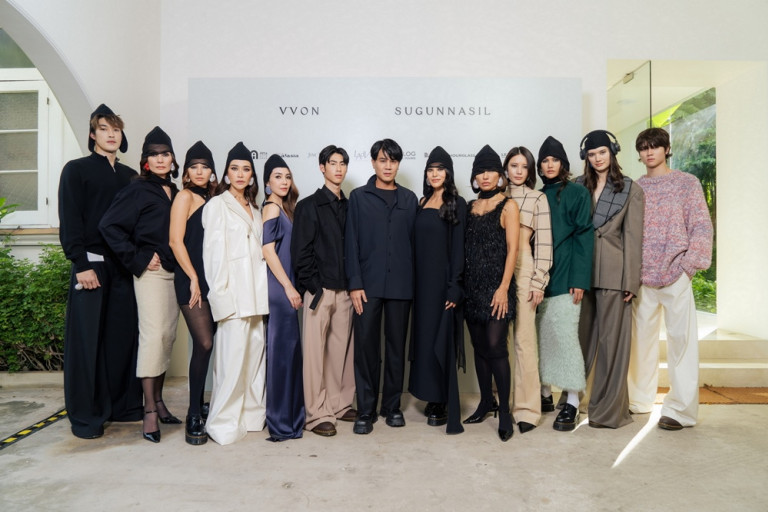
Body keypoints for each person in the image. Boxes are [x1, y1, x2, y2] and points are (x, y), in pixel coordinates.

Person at [57, 104, 143, 439]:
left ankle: (122, 406)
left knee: (121, 339)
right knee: (88, 343)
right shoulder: (76, 170)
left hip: (123, 268)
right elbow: (71, 219)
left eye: (116, 129)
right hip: (90, 265)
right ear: (93, 134)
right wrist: (81, 264)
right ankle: (87, 416)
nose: (111, 135)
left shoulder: (130, 176)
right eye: (104, 129)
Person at [100, 126, 181, 443]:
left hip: (175, 272)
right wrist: (139, 258)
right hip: (152, 274)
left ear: (172, 159)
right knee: (153, 336)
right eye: (154, 155)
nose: (160, 159)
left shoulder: (175, 190)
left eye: (165, 154)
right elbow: (109, 225)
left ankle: (158, 401)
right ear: (146, 160)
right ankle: (148, 410)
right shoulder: (137, 189)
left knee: (167, 337)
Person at [628, 127, 713, 431]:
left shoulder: (686, 183)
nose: (649, 152)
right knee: (640, 345)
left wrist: (689, 266)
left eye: (655, 146)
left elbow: (701, 226)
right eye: (644, 147)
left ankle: (680, 411)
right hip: (642, 278)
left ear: (666, 149)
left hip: (677, 274)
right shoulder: (635, 188)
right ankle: (639, 401)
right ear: (639, 153)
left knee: (682, 345)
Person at [345, 138, 418, 434]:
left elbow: (416, 245)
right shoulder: (358, 198)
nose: (388, 166)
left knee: (396, 348)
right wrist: (354, 283)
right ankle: (365, 410)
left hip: (401, 285)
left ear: (398, 164)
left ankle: (392, 406)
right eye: (383, 160)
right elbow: (350, 242)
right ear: (373, 162)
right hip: (367, 285)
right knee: (366, 348)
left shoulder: (410, 199)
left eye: (393, 161)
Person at [574, 130, 644, 429]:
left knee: (611, 344)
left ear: (612, 152)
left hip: (615, 273)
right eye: (591, 154)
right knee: (578, 341)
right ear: (586, 157)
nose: (597, 158)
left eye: (602, 152)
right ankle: (572, 402)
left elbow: (633, 238)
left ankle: (608, 410)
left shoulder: (630, 189)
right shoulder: (577, 186)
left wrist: (631, 281)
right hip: (581, 273)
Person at [201, 142, 269, 445]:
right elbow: (213, 256)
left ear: (252, 175)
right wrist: (221, 298)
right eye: (234, 169)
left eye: (246, 169)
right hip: (233, 297)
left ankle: (251, 417)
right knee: (230, 364)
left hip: (257, 296)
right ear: (226, 173)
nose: (240, 174)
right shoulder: (217, 205)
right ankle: (222, 423)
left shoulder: (255, 209)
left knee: (254, 362)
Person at [291, 145, 357, 438]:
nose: (338, 168)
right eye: (333, 163)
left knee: (339, 353)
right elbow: (300, 253)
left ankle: (338, 404)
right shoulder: (308, 206)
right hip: (320, 291)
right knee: (315, 356)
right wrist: (313, 288)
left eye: (343, 163)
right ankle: (316, 413)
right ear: (322, 167)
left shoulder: (350, 205)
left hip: (345, 291)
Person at [535, 135, 594, 432]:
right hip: (538, 280)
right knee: (541, 337)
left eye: (554, 160)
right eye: (544, 160)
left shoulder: (577, 193)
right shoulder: (535, 195)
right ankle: (545, 393)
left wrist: (579, 279)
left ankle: (572, 399)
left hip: (567, 277)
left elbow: (585, 235)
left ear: (564, 163)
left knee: (565, 337)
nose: (549, 165)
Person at [408, 146, 467, 434]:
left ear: (448, 173)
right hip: (421, 285)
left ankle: (441, 399)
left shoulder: (456, 203)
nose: (434, 174)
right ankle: (429, 394)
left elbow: (458, 249)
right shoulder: (421, 202)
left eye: (440, 169)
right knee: (424, 340)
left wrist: (455, 286)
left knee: (440, 341)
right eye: (430, 169)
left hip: (443, 285)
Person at [463, 145, 519, 442]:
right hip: (472, 288)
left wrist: (503, 288)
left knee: (497, 347)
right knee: (479, 346)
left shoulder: (508, 206)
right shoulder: (469, 207)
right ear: (475, 176)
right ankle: (486, 402)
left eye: (490, 171)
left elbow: (513, 249)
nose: (485, 176)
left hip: (497, 288)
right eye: (480, 172)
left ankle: (505, 412)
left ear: (500, 175)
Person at [169, 140, 218, 445]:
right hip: (190, 280)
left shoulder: (215, 198)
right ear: (186, 172)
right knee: (204, 341)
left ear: (212, 171)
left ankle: (200, 402)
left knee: (207, 347)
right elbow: (175, 241)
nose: (200, 171)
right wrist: (193, 277)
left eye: (205, 166)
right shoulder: (184, 197)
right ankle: (193, 414)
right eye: (194, 167)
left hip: (213, 280)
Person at [503, 146, 553, 434]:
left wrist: (538, 281)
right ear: (506, 168)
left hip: (524, 270)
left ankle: (527, 410)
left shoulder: (537, 198)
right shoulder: (497, 196)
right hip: (496, 272)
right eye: (514, 165)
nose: (519, 171)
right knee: (498, 342)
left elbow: (544, 243)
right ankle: (501, 402)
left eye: (524, 166)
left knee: (524, 341)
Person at [261, 154, 305, 441]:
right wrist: (288, 287)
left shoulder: (285, 208)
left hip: (286, 285)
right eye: (278, 176)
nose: (284, 181)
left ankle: (291, 417)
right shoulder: (271, 208)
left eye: (287, 176)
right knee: (280, 355)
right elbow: (267, 250)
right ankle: (279, 421)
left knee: (288, 354)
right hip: (279, 288)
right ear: (267, 181)